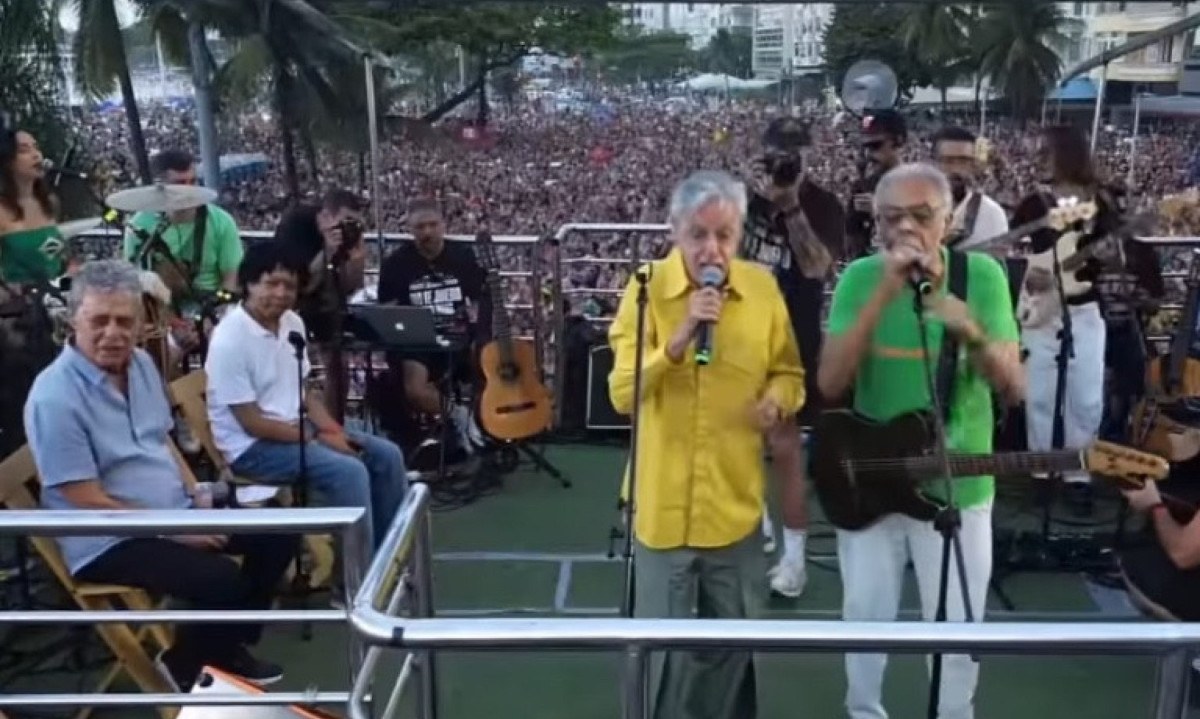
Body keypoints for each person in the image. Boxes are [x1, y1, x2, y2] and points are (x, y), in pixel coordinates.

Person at [24, 260, 295, 691]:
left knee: (279, 531)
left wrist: (197, 495)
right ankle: (184, 663)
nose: (113, 333)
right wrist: (174, 531)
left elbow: (160, 443)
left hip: (171, 510)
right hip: (107, 537)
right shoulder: (54, 396)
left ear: (138, 325)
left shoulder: (142, 366)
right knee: (220, 578)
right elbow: (83, 497)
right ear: (73, 320)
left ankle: (224, 646)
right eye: (99, 320)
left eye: (124, 321)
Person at [819, 163, 1023, 719]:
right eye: (891, 218)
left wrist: (965, 325)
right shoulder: (861, 277)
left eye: (921, 215)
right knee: (864, 617)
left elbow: (1014, 386)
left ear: (949, 219)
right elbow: (831, 382)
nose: (905, 228)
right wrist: (884, 290)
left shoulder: (981, 277)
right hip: (873, 480)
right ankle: (864, 711)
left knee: (957, 627)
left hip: (958, 485)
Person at [608, 170, 805, 719]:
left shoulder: (763, 290)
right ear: (674, 230)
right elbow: (622, 395)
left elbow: (790, 372)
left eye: (725, 235)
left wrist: (777, 399)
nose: (712, 248)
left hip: (734, 507)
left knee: (736, 644)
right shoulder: (645, 289)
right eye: (699, 234)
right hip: (662, 509)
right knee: (662, 651)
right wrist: (677, 340)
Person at [204, 241, 407, 562]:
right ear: (249, 284)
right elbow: (251, 422)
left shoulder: (292, 323)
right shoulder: (229, 340)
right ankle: (357, 581)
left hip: (297, 429)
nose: (281, 293)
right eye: (272, 284)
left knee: (387, 455)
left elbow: (304, 390)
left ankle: (392, 558)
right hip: (252, 449)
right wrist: (317, 440)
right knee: (349, 472)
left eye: (290, 286)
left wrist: (332, 430)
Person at [741, 116, 845, 597]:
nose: (784, 164)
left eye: (792, 155)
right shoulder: (741, 201)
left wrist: (792, 208)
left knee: (785, 449)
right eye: (776, 154)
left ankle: (795, 559)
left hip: (790, 341)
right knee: (735, 437)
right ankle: (754, 520)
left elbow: (819, 266)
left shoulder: (823, 204)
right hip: (738, 337)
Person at [1011, 125, 1118, 513]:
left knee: (1085, 398)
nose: (1040, 156)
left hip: (1083, 309)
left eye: (1047, 150)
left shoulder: (1101, 202)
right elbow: (1015, 248)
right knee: (1039, 395)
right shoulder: (1033, 204)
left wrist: (1104, 253)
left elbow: (1114, 251)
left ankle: (1077, 476)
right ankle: (1041, 471)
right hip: (1041, 310)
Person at [375, 198, 487, 455]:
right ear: (410, 230)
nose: (426, 232)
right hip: (417, 343)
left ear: (443, 225)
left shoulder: (464, 257)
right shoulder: (395, 264)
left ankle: (488, 428)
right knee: (415, 388)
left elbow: (481, 301)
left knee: (491, 367)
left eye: (432, 225)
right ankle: (457, 416)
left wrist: (477, 333)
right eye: (420, 227)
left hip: (459, 337)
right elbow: (387, 309)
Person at [0, 120, 68, 457]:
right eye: (24, 150)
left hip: (55, 315)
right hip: (16, 327)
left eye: (36, 147)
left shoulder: (50, 203)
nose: (36, 154)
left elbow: (61, 260)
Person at [274, 189, 368, 422]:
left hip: (328, 302)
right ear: (326, 215)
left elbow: (351, 286)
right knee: (294, 366)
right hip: (291, 300)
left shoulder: (350, 235)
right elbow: (300, 284)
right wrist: (327, 251)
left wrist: (356, 262)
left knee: (339, 367)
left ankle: (334, 424)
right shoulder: (297, 225)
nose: (346, 228)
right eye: (343, 222)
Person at [123, 149, 244, 302]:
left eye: (192, 181)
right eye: (180, 184)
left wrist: (219, 310)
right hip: (160, 308)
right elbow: (132, 278)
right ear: (160, 186)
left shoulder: (221, 221)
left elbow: (231, 279)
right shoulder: (139, 224)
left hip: (210, 306)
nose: (189, 190)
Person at [930, 127, 1008, 251]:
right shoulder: (909, 210)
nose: (956, 169)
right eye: (948, 161)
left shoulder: (991, 215)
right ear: (932, 162)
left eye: (963, 161)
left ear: (973, 165)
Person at [846, 109, 905, 259]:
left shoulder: (920, 185)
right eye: (865, 147)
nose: (869, 154)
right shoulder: (862, 187)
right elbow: (851, 240)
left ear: (899, 142)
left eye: (876, 146)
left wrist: (879, 212)